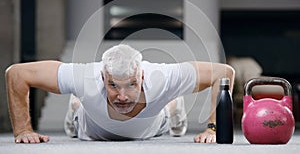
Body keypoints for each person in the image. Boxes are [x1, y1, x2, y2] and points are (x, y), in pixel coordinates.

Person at [5, 44, 235, 144]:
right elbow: (16, 74)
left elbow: (224, 72)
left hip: (153, 125)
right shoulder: (85, 76)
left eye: (131, 85)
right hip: (89, 126)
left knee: (168, 107)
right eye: (114, 85)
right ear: (103, 77)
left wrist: (213, 127)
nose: (122, 96)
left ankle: (174, 104)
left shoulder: (161, 76)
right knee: (78, 108)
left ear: (142, 76)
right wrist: (24, 129)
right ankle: (77, 104)